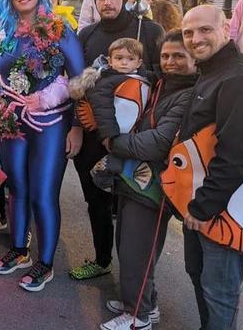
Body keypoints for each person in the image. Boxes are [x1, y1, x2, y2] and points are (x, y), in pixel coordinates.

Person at [0, 0, 85, 292]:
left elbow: (79, 80)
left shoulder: (59, 30)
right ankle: (19, 251)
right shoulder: (3, 33)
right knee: (17, 189)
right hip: (11, 121)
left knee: (44, 194)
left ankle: (45, 263)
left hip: (52, 123)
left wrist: (77, 127)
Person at [176, 6, 243, 330]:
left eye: (205, 30)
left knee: (219, 295)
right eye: (189, 32)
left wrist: (203, 208)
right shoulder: (214, 72)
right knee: (202, 281)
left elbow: (235, 157)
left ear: (226, 27)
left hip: (223, 211)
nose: (195, 38)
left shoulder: (240, 81)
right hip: (204, 204)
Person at [97, 30, 198, 330]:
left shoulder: (189, 94)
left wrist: (114, 143)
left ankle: (137, 316)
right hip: (134, 178)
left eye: (179, 56)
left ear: (195, 58)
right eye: (166, 56)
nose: (170, 62)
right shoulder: (161, 84)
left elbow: (158, 143)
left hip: (155, 185)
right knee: (128, 246)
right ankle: (145, 302)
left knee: (137, 251)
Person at [70, 0, 164, 282]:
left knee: (131, 206)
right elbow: (76, 83)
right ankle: (101, 259)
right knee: (95, 200)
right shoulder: (86, 35)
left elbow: (164, 78)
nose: (107, 2)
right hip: (93, 132)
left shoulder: (147, 31)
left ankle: (136, 278)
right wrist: (77, 125)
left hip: (138, 139)